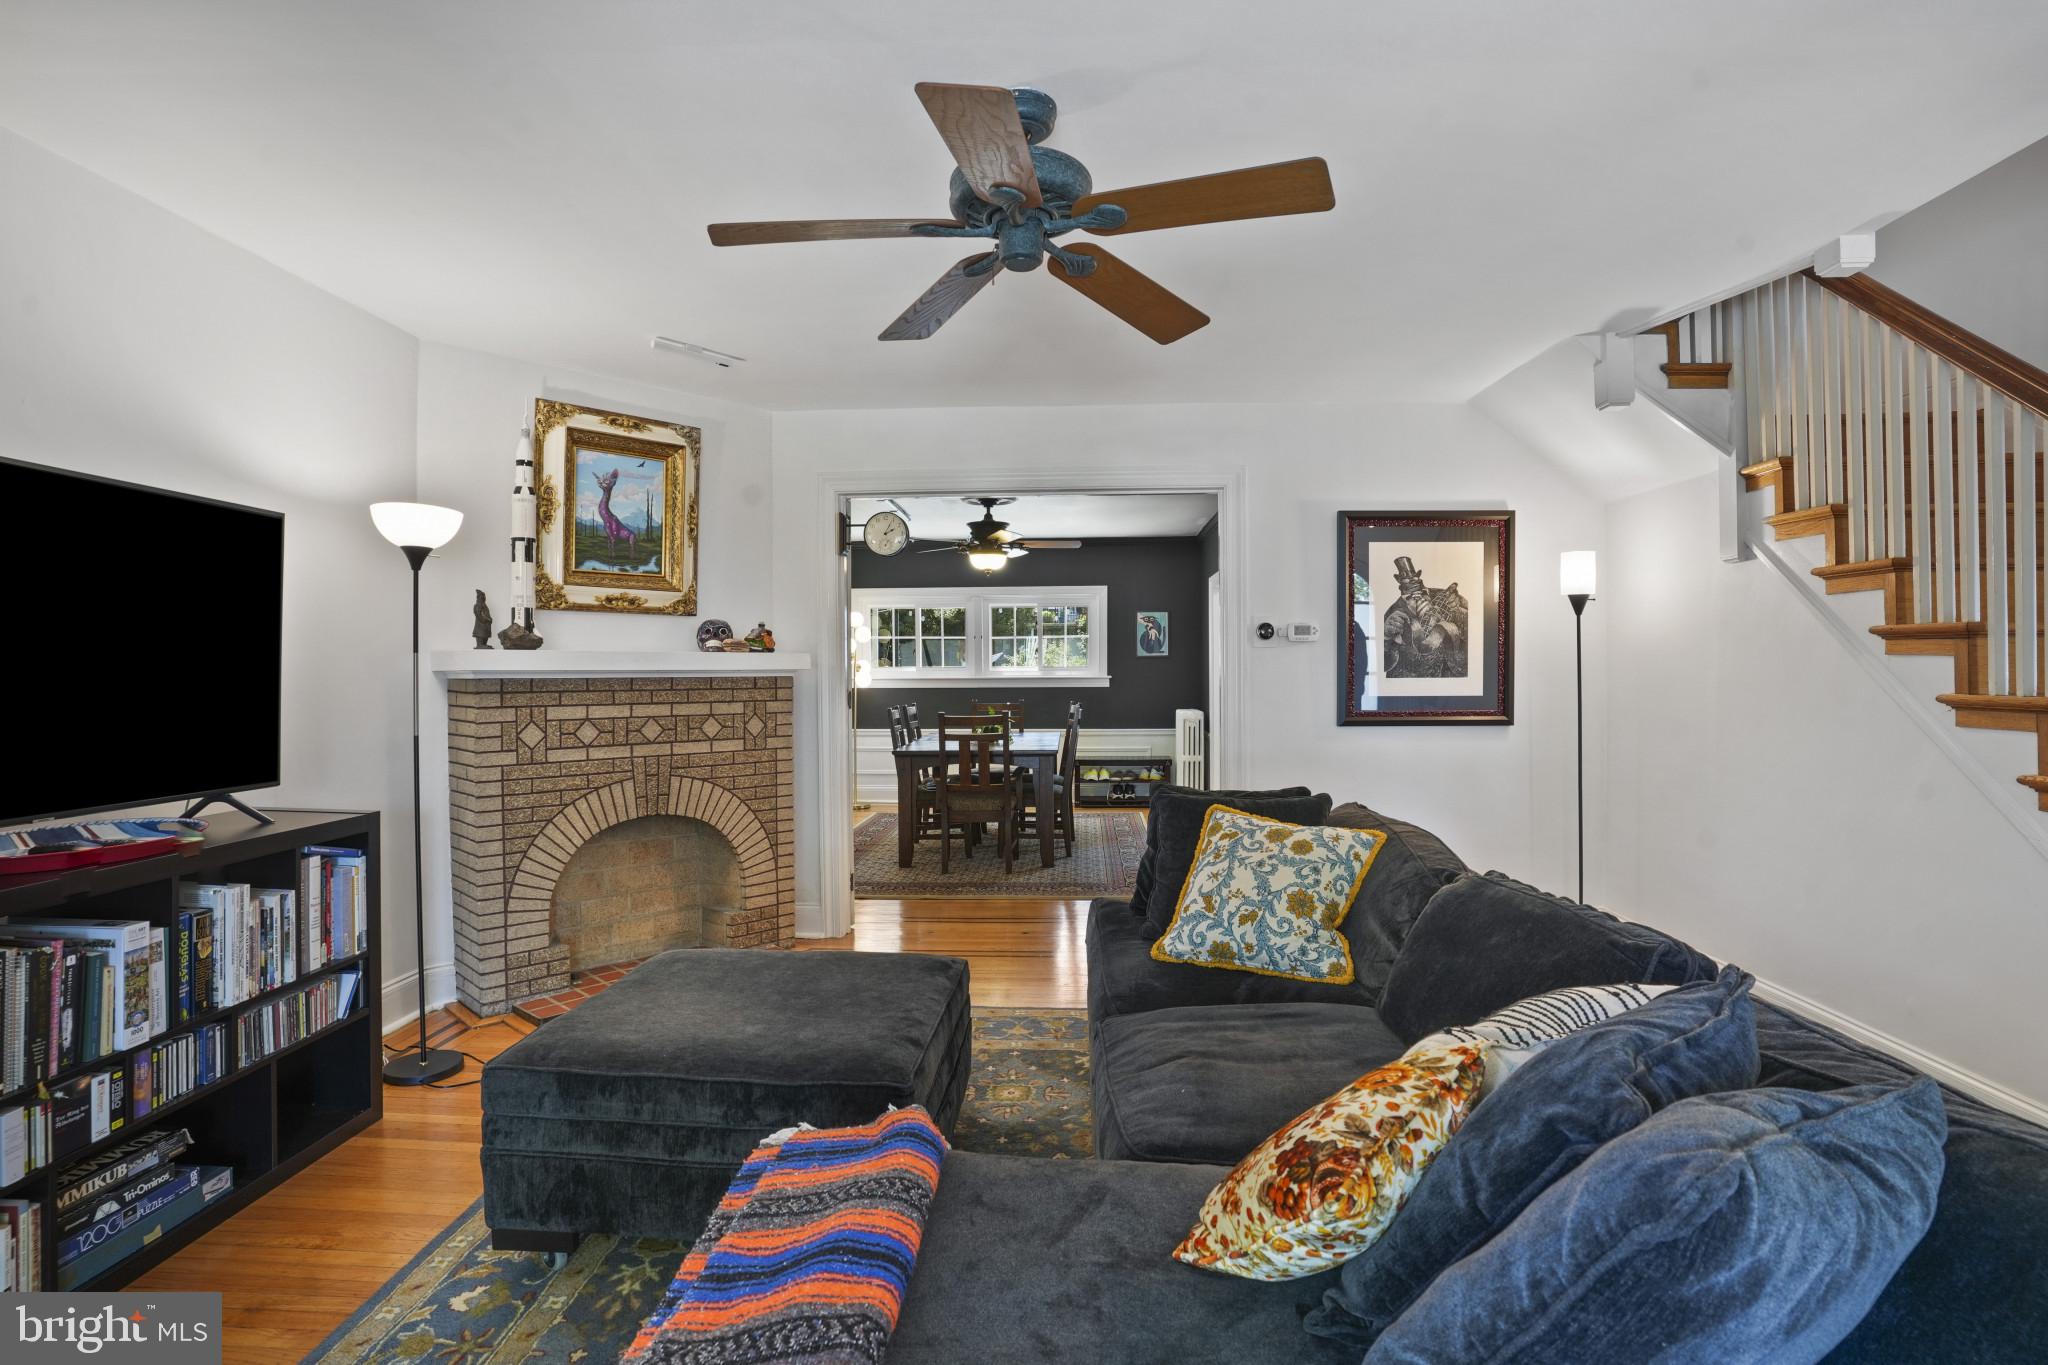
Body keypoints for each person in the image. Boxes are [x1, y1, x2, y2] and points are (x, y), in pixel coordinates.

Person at [1380, 556, 1468, 678]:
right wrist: (1385, 636)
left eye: (1413, 577)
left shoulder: (1446, 596)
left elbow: (1474, 621)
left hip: (1453, 678)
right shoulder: (1391, 614)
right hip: (1412, 682)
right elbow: (1382, 664)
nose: (1411, 580)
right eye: (1406, 579)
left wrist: (1459, 608)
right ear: (1399, 580)